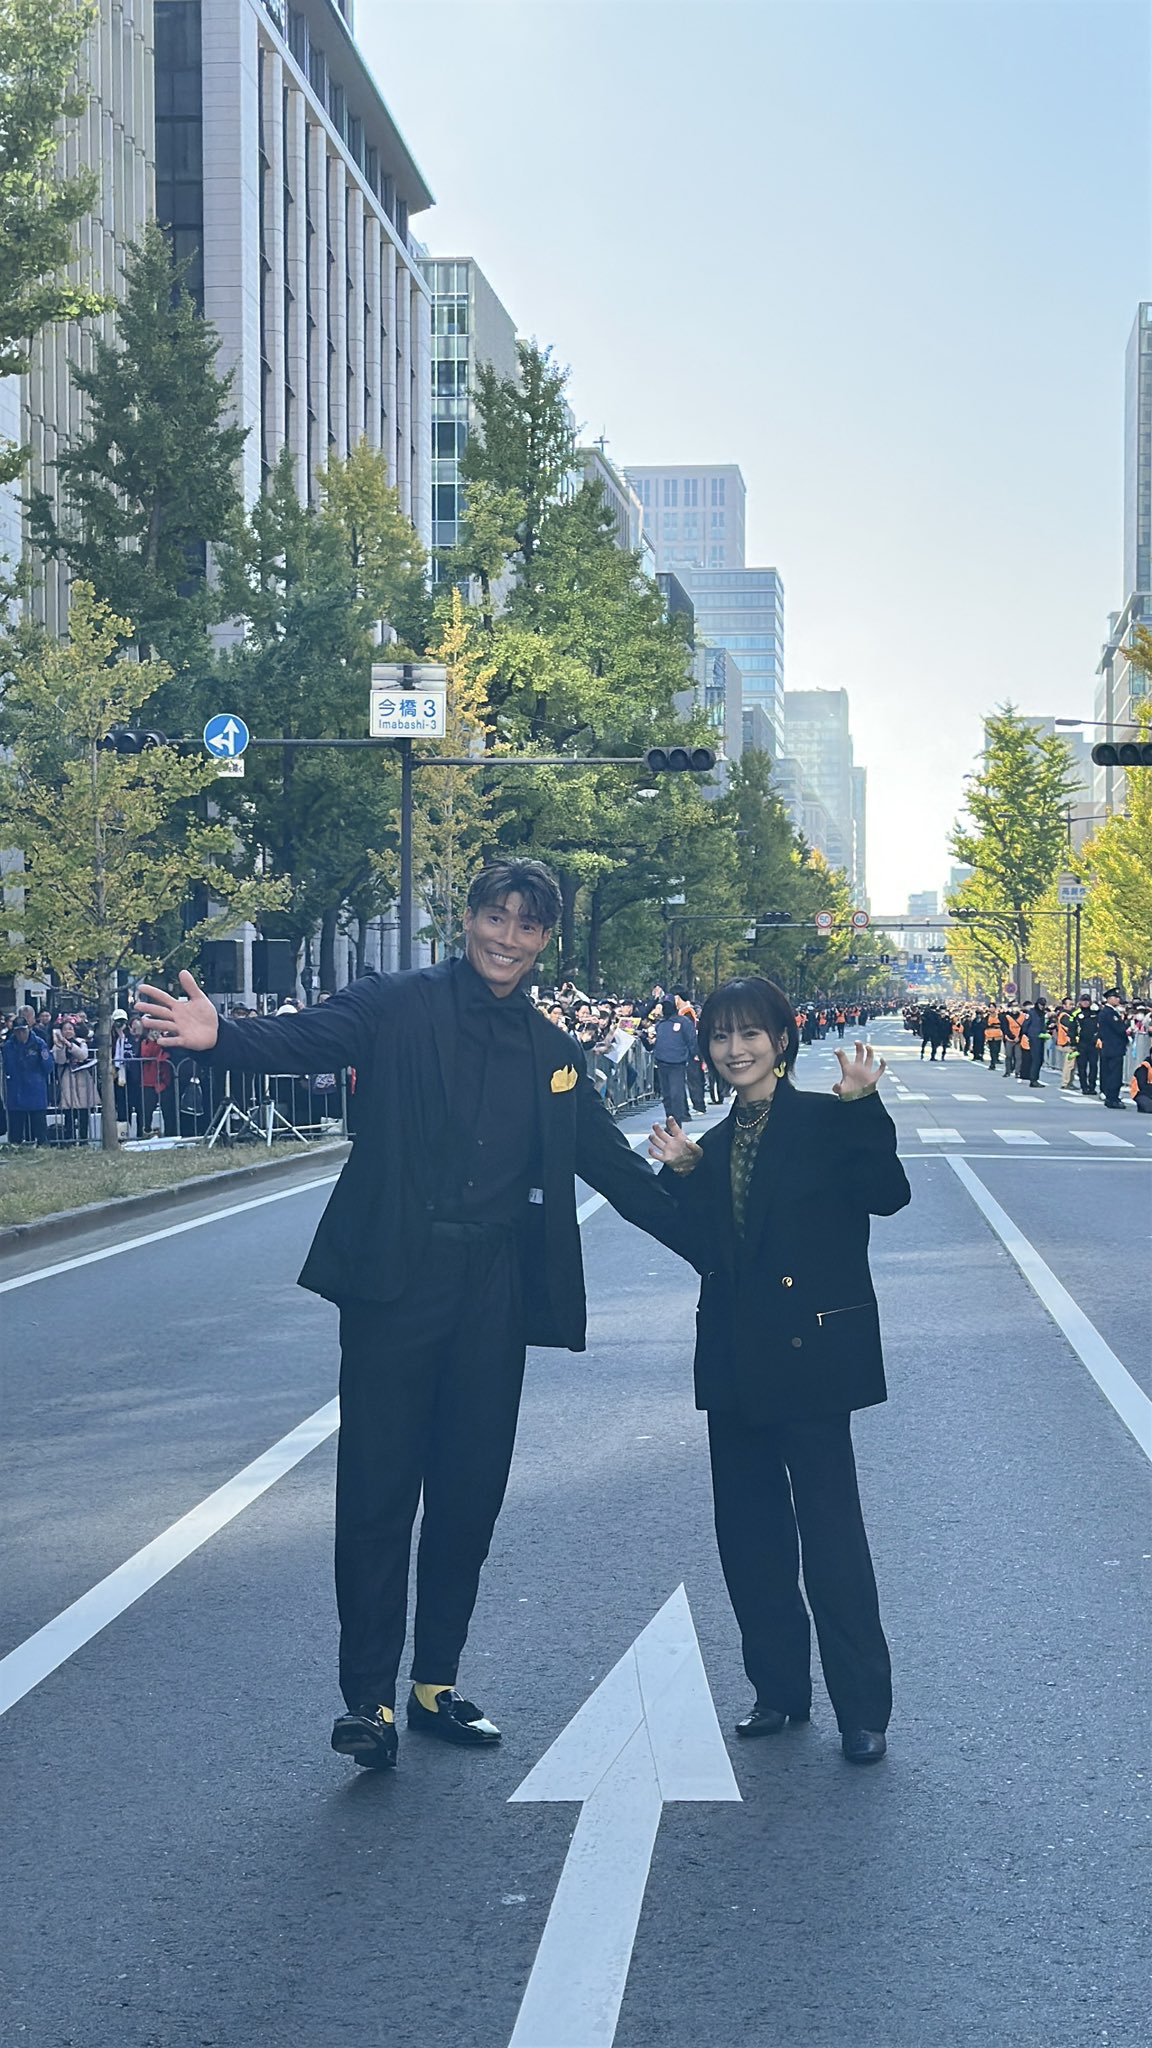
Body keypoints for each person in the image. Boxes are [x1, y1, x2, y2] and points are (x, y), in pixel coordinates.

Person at [136, 860, 701, 1773]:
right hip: (396, 1279)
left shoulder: (555, 1055)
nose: (507, 939)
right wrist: (220, 1039)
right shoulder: (397, 1003)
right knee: (376, 1491)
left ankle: (436, 1684)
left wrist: (724, 1253)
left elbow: (619, 1172)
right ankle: (367, 1700)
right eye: (495, 917)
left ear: (545, 941)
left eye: (527, 926)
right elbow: (308, 1039)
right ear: (469, 918)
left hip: (494, 1290)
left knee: (469, 1493)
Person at [649, 978, 911, 1765]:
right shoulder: (712, 1145)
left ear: (782, 1041)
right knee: (750, 1538)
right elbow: (702, 1251)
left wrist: (863, 1105)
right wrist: (683, 1173)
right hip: (736, 1359)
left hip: (813, 1361)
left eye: (749, 1034)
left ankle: (862, 1711)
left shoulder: (829, 1119)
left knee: (833, 1540)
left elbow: (888, 1195)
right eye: (720, 1036)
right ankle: (779, 1692)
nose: (734, 1049)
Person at [2, 1018, 53, 1145]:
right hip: (16, 1090)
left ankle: (42, 1147)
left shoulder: (39, 1044)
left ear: (29, 1029)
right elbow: (8, 1067)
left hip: (36, 1088)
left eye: (23, 1031)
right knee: (16, 1130)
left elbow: (48, 1066)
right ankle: (16, 1148)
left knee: (39, 1128)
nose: (21, 1034)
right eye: (18, 1031)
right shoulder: (8, 1046)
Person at [652, 995, 697, 1126]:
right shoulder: (660, 1025)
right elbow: (654, 1042)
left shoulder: (684, 1022)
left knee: (676, 1094)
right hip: (662, 1062)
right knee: (667, 1096)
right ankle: (670, 1121)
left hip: (677, 1063)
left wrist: (693, 1055)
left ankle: (677, 1123)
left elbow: (691, 1040)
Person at [1096, 989, 1131, 1110]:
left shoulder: (1108, 1012)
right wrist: (1126, 1024)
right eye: (1115, 997)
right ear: (1109, 999)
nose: (1118, 999)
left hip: (1110, 1047)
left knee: (1109, 1073)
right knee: (1114, 1074)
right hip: (1113, 1047)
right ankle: (1112, 1098)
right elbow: (1119, 1029)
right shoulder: (1109, 1013)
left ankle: (1110, 1097)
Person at [1073, 996, 1099, 1096]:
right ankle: (1084, 1086)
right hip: (1081, 1044)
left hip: (1093, 1044)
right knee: (1082, 1067)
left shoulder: (1095, 1014)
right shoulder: (1076, 1014)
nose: (1085, 1003)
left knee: (1093, 1066)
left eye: (1087, 1001)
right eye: (1083, 1001)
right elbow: (1072, 1028)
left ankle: (1092, 1086)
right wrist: (1073, 1042)